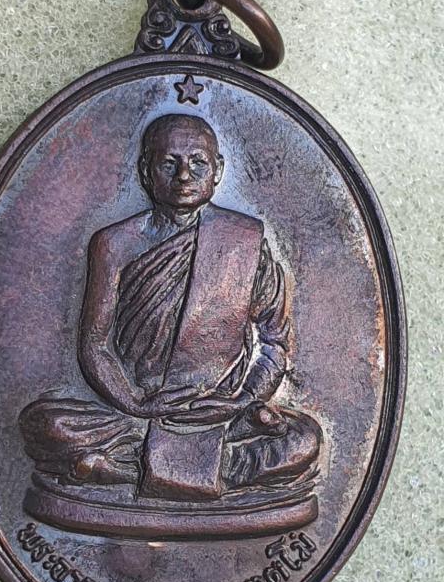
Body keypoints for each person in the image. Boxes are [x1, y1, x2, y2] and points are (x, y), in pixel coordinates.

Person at [19, 114, 321, 499]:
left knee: (304, 439)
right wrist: (136, 402)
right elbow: (94, 345)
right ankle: (213, 471)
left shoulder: (243, 239)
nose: (184, 176)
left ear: (217, 171)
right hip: (135, 414)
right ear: (146, 172)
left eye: (198, 163)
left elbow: (274, 342)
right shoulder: (114, 244)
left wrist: (245, 400)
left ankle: (124, 470)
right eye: (169, 164)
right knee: (45, 425)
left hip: (219, 414)